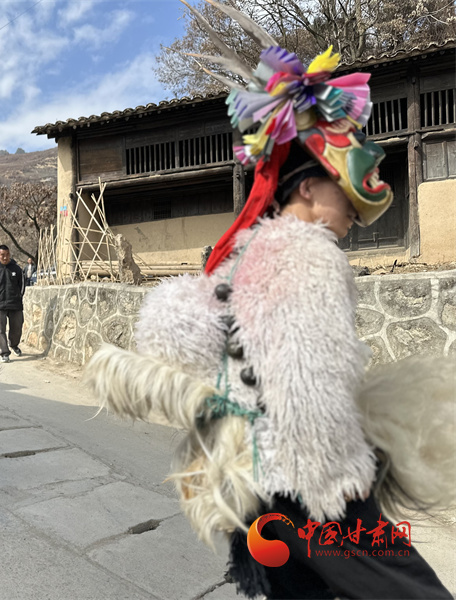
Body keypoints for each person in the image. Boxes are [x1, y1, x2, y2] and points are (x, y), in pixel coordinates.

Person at [84, 7, 453, 598]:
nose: (355, 213)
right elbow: (307, 384)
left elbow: (180, 336)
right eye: (344, 194)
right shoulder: (308, 255)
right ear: (306, 187)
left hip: (254, 481)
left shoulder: (248, 255)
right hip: (311, 480)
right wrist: (336, 477)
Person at [0, 245, 25, 363]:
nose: (5, 257)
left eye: (7, 254)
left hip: (15, 303)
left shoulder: (16, 269)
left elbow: (22, 285)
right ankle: (4, 352)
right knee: (0, 329)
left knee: (17, 328)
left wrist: (19, 296)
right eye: (2, 255)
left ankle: (14, 345)